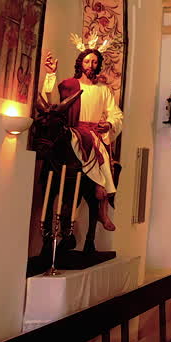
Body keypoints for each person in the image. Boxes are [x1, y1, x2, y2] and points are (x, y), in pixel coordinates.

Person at [42, 47, 124, 232]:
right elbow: (53, 101)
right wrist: (50, 75)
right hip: (73, 130)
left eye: (94, 62)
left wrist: (109, 124)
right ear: (81, 63)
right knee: (83, 144)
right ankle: (95, 189)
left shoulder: (103, 90)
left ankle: (103, 206)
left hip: (94, 131)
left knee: (106, 159)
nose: (91, 65)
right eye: (87, 61)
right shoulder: (69, 85)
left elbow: (115, 113)